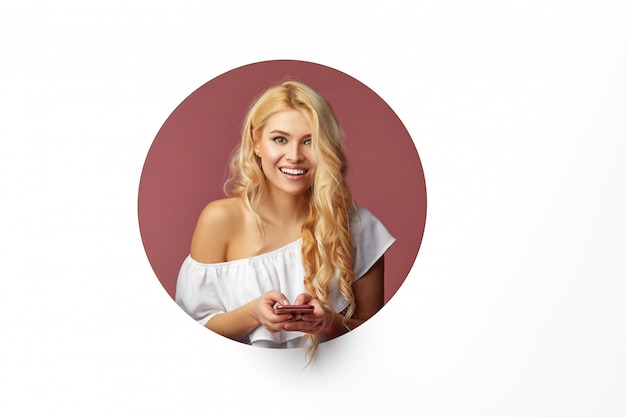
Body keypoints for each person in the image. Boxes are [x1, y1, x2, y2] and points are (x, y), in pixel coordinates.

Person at [175, 80, 395, 363]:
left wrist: (329, 323)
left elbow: (376, 343)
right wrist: (253, 314)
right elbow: (190, 332)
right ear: (256, 143)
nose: (294, 156)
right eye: (280, 139)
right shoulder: (220, 220)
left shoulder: (359, 227)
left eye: (310, 141)